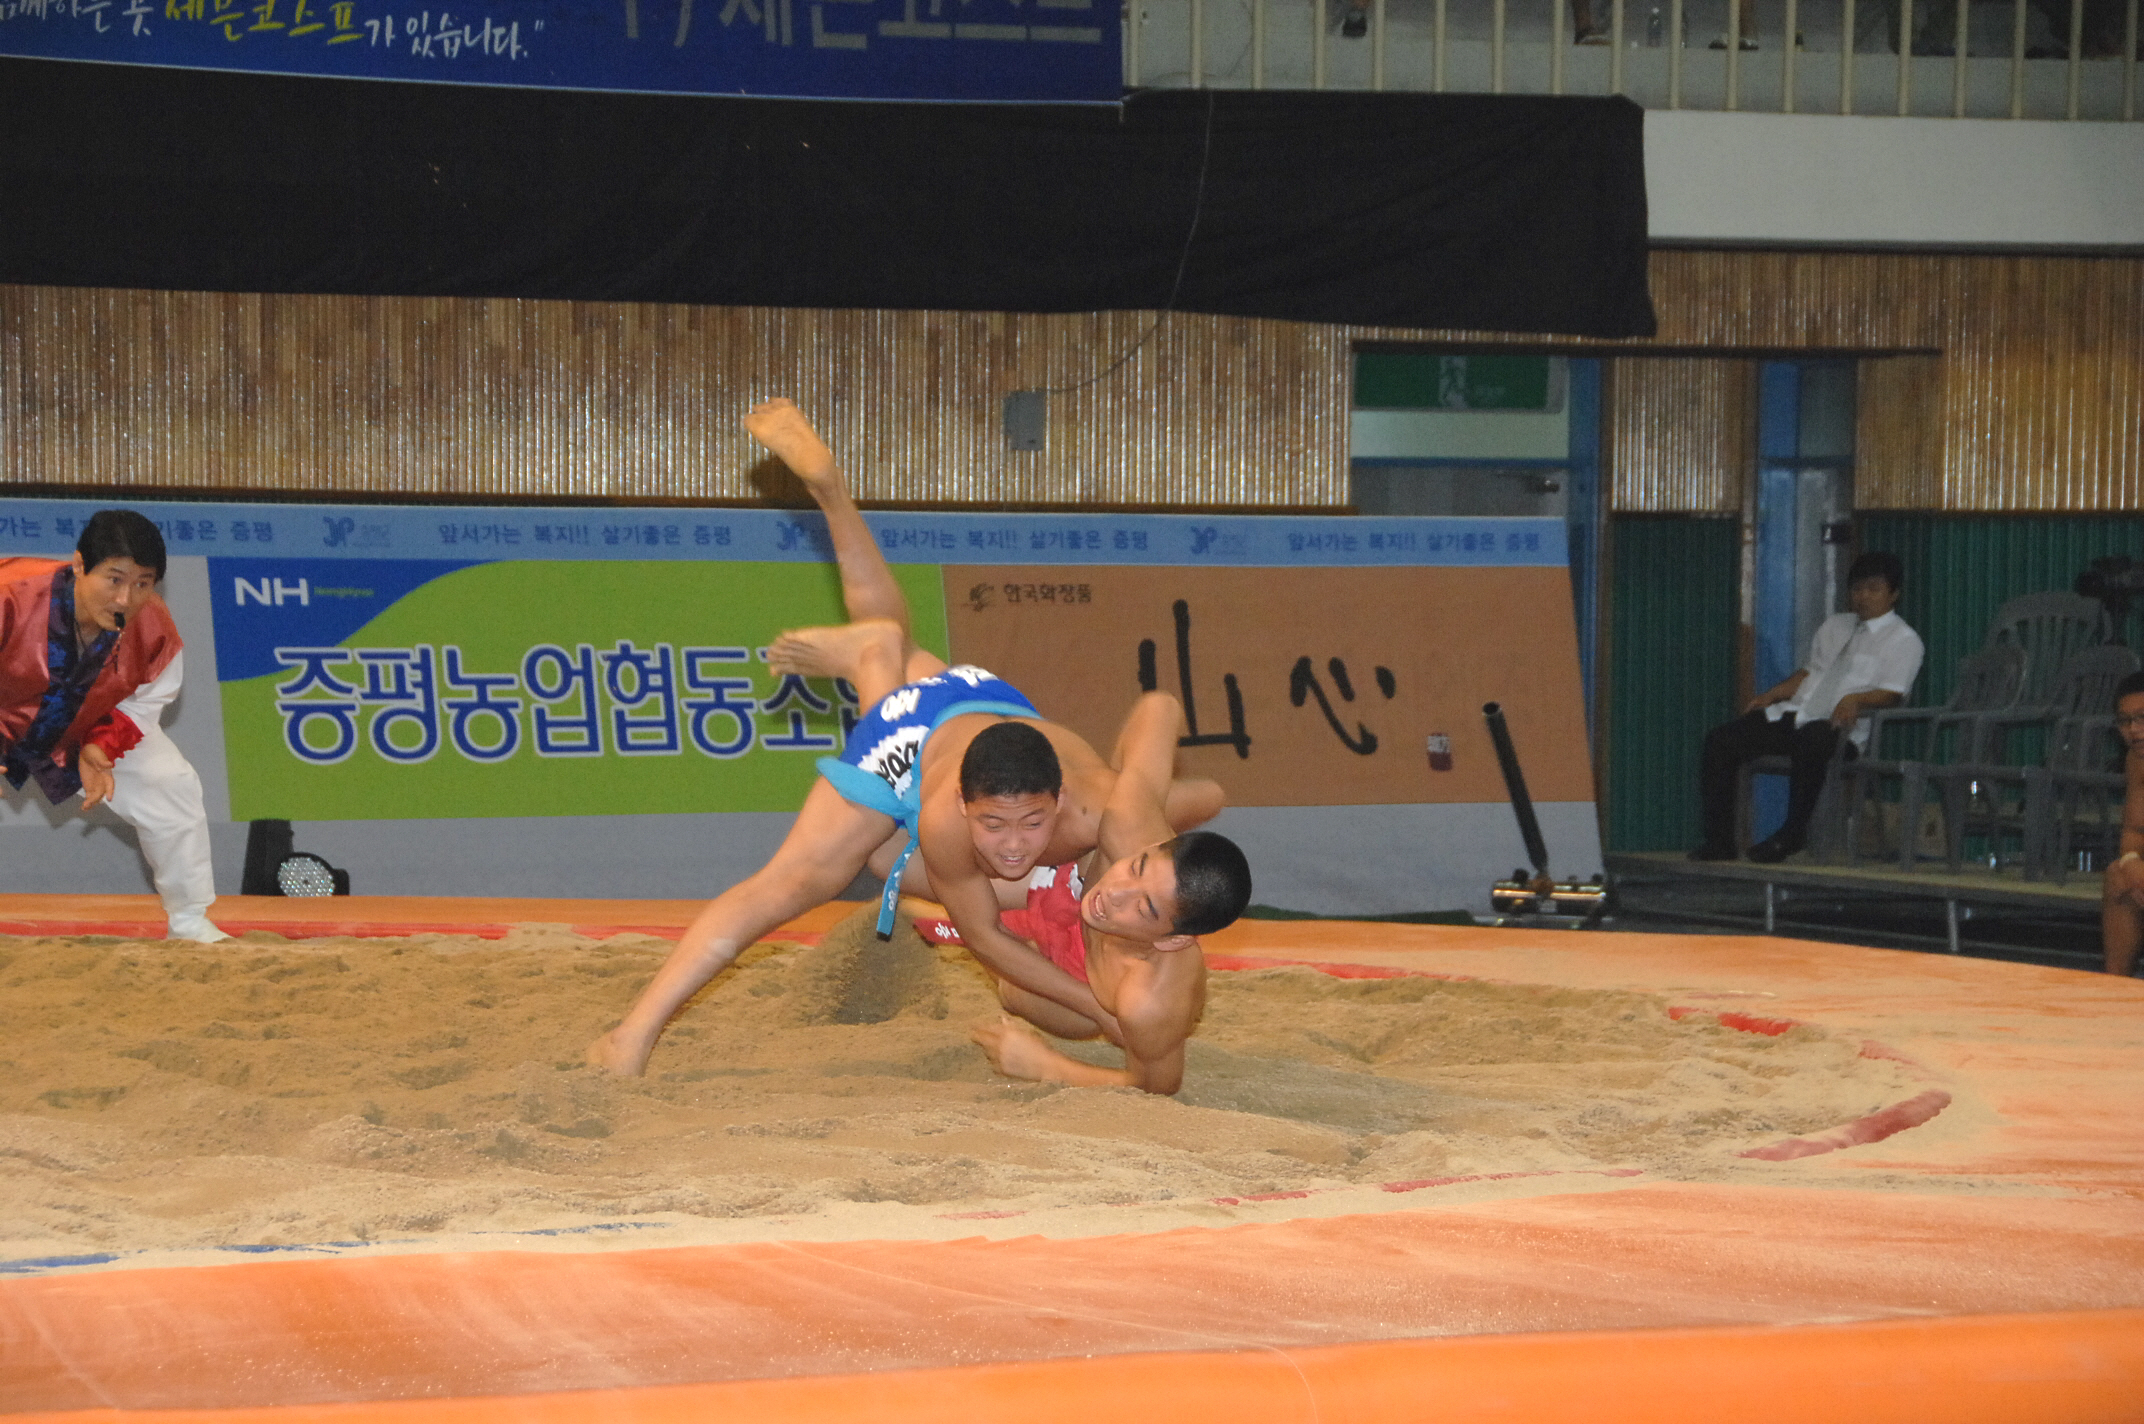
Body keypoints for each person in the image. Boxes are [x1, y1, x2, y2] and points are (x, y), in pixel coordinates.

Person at [585, 399, 1235, 1077]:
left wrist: (1157, 792)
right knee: (799, 879)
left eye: (1031, 824)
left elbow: (1168, 744)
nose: (1014, 845)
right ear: (962, 810)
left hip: (992, 708)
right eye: (993, 827)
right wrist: (1101, 1014)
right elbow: (983, 935)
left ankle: (870, 618)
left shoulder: (1118, 821)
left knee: (918, 836)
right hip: (917, 747)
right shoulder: (963, 822)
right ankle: (632, 1036)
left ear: (1063, 800)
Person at [905, 690, 1252, 1095]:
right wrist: (1116, 782)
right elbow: (1161, 707)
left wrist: (1048, 1066)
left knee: (1037, 1001)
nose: (1116, 892)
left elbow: (1158, 1085)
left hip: (1089, 965)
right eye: (1136, 868)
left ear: (1172, 939)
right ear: (1150, 849)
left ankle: (1187, 801)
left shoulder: (1146, 1001)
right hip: (1069, 882)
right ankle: (1185, 801)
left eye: (1143, 907)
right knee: (911, 872)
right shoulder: (1127, 825)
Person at [0, 511, 229, 942]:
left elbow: (146, 700)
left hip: (86, 727)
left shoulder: (153, 627)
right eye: (114, 579)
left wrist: (100, 747)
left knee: (169, 781)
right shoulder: (10, 595)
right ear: (79, 564)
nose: (126, 598)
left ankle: (188, 920)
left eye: (143, 583)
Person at [1691, 550, 1924, 865]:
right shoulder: (1835, 625)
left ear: (1894, 594)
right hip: (1796, 714)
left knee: (1812, 739)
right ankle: (1719, 842)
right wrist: (1774, 694)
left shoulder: (1904, 640)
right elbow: (1812, 672)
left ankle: (1792, 834)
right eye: (1857, 589)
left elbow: (1894, 693)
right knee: (1721, 740)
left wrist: (1856, 699)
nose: (1863, 597)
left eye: (1874, 589)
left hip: (1841, 730)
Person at [2101, 670, 2144, 977]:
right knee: (2118, 876)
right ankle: (2115, 988)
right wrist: (2131, 863)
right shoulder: (2136, 759)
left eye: (2142, 718)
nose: (2134, 730)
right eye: (2125, 721)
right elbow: (2133, 830)